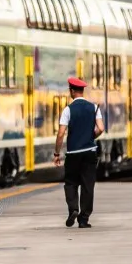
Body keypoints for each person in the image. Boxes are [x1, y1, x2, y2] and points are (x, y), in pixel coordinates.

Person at [53, 76, 103, 228]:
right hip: (90, 152)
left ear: (72, 91)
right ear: (82, 91)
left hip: (73, 153)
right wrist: (90, 136)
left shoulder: (68, 110)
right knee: (88, 185)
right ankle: (84, 219)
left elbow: (61, 133)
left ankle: (73, 209)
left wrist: (57, 154)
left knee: (71, 183)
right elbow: (100, 128)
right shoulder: (94, 108)